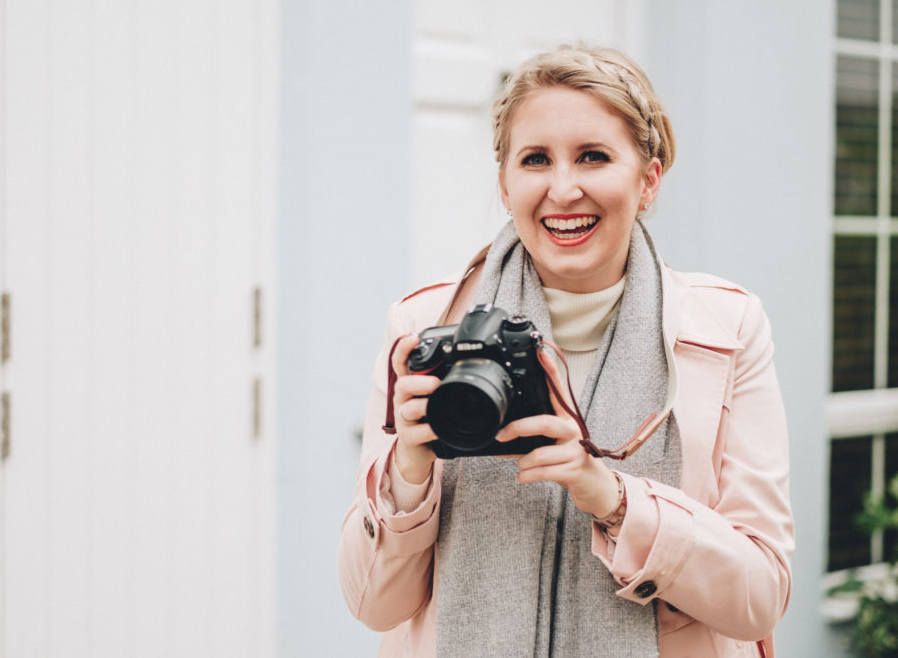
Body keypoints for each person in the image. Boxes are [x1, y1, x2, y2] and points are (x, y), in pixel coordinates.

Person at [338, 44, 793, 657]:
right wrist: (408, 473)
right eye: (535, 160)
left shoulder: (728, 330)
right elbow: (373, 606)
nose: (563, 188)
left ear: (648, 178)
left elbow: (759, 598)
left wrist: (606, 493)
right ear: (504, 183)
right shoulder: (425, 325)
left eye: (593, 157)